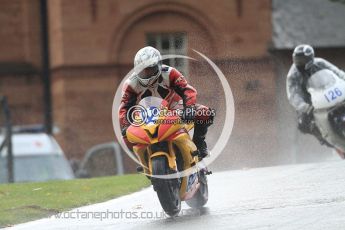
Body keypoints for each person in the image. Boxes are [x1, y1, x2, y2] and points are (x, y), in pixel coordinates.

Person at [119, 46, 214, 159]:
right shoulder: (130, 84)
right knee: (125, 137)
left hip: (173, 108)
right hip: (146, 115)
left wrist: (189, 108)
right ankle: (144, 158)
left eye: (150, 69)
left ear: (158, 65)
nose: (146, 73)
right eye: (142, 70)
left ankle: (199, 143)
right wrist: (125, 125)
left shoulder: (170, 73)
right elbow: (124, 107)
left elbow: (188, 90)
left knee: (205, 113)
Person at [286, 44, 345, 145]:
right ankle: (325, 139)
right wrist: (303, 106)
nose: (299, 63)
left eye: (302, 60)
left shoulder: (320, 63)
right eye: (297, 59)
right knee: (304, 124)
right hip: (310, 103)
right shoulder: (292, 75)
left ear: (310, 58)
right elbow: (293, 95)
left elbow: (337, 72)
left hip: (328, 92)